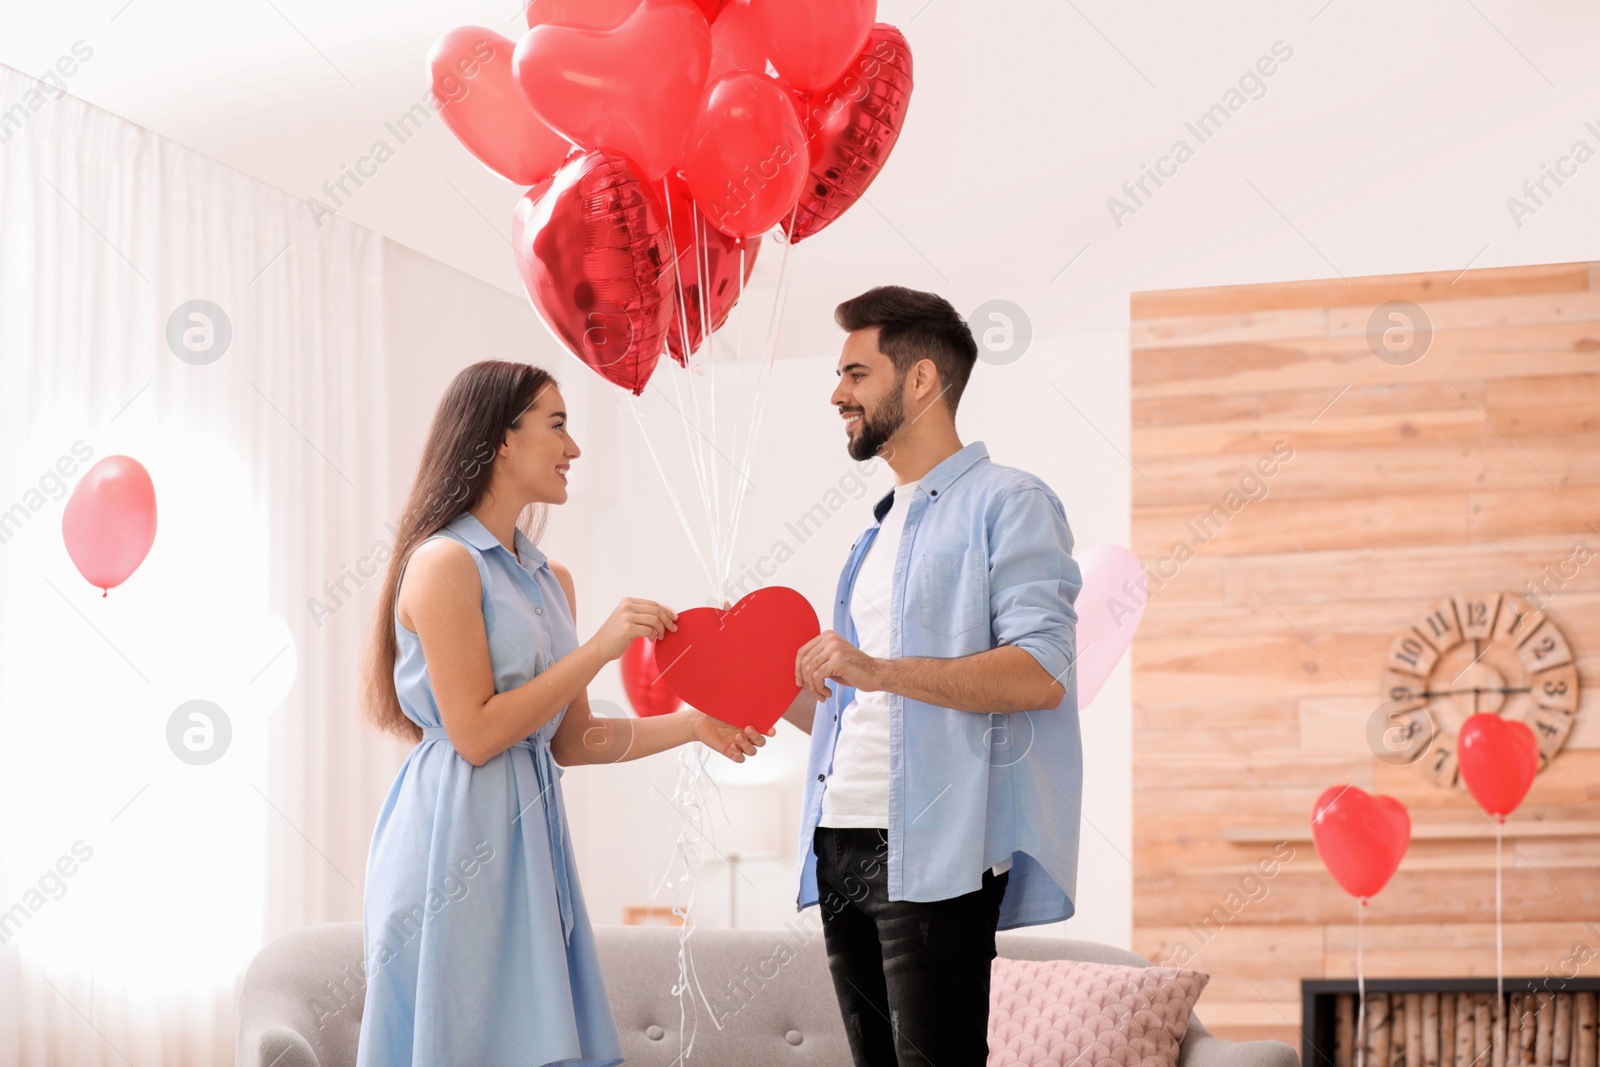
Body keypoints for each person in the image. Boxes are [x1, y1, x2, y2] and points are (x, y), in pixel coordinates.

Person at [356, 360, 771, 1066]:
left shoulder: (551, 580)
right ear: (502, 440)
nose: (574, 448)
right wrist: (602, 648)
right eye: (557, 424)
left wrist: (694, 725)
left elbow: (574, 739)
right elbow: (479, 732)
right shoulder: (443, 563)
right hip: (453, 839)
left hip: (529, 841)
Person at [783, 286, 1083, 1067]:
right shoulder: (872, 536)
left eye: (856, 373)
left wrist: (876, 668)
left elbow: (1039, 671)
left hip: (935, 846)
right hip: (838, 837)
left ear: (920, 380)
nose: (837, 394)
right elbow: (861, 709)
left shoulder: (1010, 502)